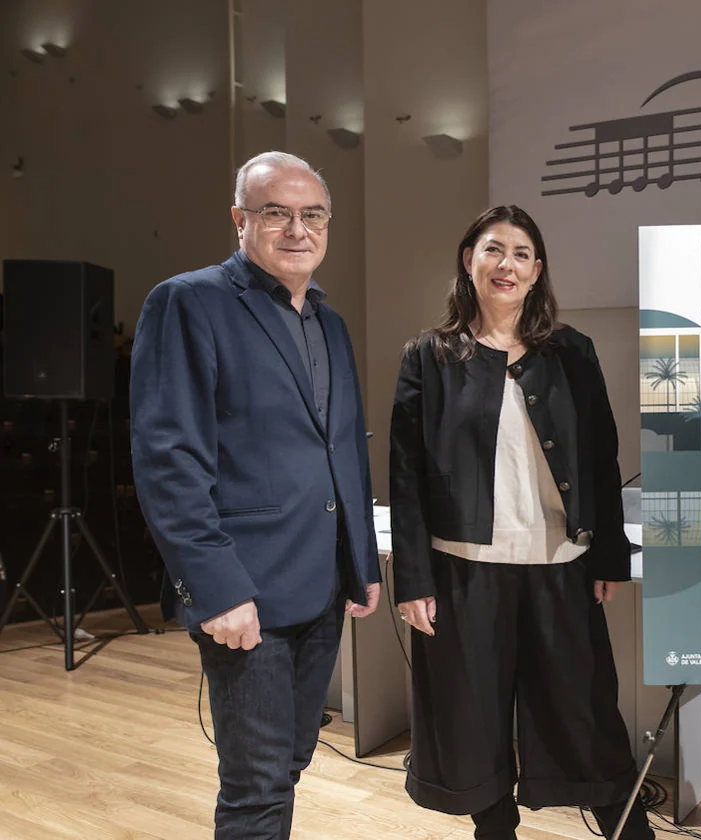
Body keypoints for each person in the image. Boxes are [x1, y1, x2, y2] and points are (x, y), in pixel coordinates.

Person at [130, 151, 381, 840]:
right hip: (246, 591)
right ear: (240, 219)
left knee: (291, 761)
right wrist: (214, 589)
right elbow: (167, 458)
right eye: (277, 213)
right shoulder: (190, 300)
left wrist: (362, 563)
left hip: (323, 584)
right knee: (257, 784)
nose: (298, 229)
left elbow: (343, 451)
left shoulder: (327, 320)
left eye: (313, 215)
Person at [390, 205, 654, 840]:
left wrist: (609, 556)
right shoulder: (429, 356)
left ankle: (628, 828)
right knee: (470, 718)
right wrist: (412, 579)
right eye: (493, 249)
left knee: (584, 715)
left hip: (558, 567)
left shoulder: (571, 353)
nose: (506, 264)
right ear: (468, 260)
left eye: (521, 253)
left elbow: (600, 458)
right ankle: (495, 828)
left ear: (538, 272)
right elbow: (405, 473)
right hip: (462, 572)